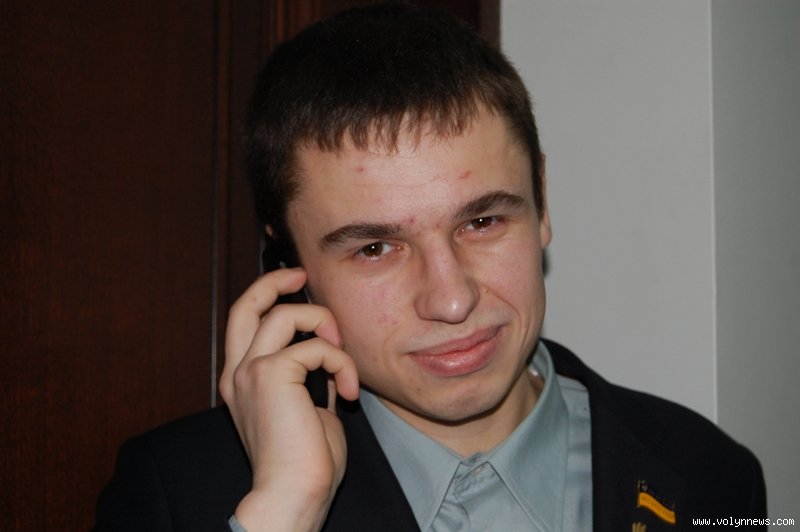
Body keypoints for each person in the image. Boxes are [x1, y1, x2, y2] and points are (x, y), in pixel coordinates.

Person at [96, 4, 767, 531]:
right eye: (374, 248)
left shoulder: (709, 475)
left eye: (482, 222)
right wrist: (286, 511)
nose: (451, 300)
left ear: (542, 200)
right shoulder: (176, 494)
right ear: (290, 262)